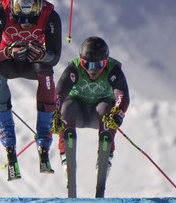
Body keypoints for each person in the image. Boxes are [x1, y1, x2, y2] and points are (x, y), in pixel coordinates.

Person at [0, 0, 62, 180]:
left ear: (40, 11)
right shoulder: (0, 12)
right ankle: (8, 137)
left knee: (46, 74)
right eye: (20, 20)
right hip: (6, 60)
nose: (25, 25)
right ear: (12, 11)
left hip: (33, 61)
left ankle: (44, 138)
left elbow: (55, 56)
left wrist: (43, 54)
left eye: (31, 20)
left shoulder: (51, 16)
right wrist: (7, 52)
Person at [51, 36, 130, 184]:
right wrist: (54, 113)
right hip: (77, 111)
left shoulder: (113, 70)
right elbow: (59, 94)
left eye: (99, 65)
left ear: (106, 62)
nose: (92, 70)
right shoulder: (74, 68)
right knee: (66, 107)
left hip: (99, 114)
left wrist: (118, 113)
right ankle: (67, 158)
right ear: (81, 61)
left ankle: (104, 159)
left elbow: (122, 96)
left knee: (107, 109)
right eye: (87, 64)